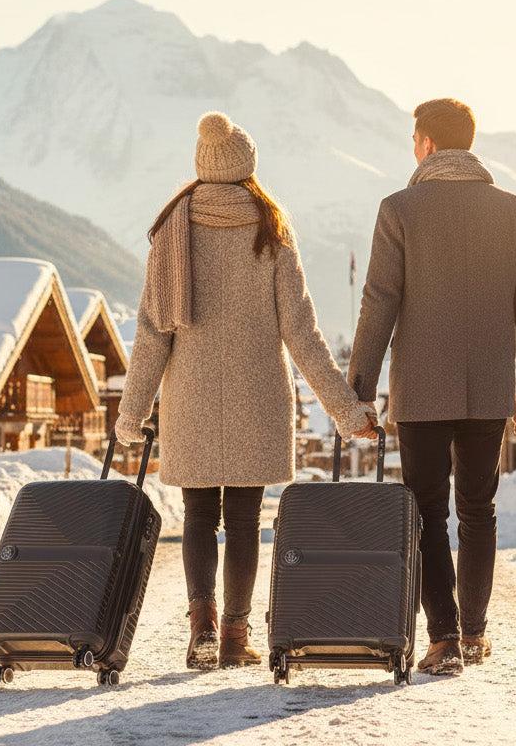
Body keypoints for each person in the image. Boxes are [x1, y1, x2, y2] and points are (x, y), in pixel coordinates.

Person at [115, 112, 376, 671]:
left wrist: (131, 412)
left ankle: (201, 629)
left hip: (190, 398)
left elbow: (152, 330)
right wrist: (345, 409)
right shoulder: (272, 228)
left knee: (198, 515)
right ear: (247, 166)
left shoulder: (171, 230)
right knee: (242, 520)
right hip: (259, 396)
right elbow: (302, 332)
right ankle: (235, 635)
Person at [347, 98, 516, 675]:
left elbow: (379, 302)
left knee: (428, 513)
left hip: (422, 391)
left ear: (427, 144)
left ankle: (444, 640)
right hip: (489, 388)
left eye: (414, 141)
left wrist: (359, 390)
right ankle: (478, 633)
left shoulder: (399, 208)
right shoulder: (513, 210)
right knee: (479, 511)